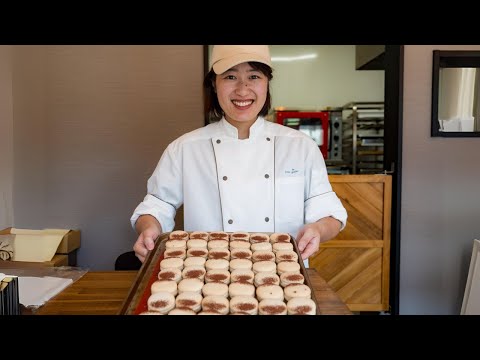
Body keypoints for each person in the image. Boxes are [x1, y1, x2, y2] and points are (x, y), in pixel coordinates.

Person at [130, 45, 347, 264]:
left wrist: (318, 229)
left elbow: (329, 213)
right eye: (230, 77)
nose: (243, 90)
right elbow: (158, 205)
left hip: (283, 273)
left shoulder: (300, 146)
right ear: (215, 84)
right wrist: (149, 229)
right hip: (208, 272)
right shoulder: (185, 148)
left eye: (254, 76)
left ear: (266, 83)